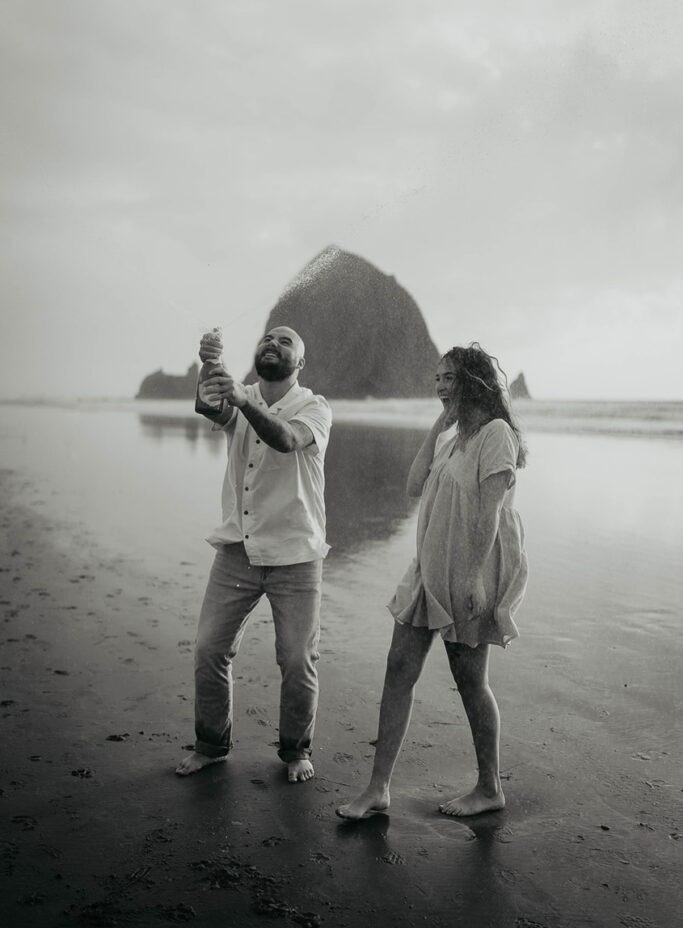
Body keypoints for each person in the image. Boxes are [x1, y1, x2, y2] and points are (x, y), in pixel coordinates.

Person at [336, 343, 528, 819]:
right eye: (436, 379)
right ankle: (378, 788)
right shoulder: (453, 438)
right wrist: (436, 426)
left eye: (449, 377)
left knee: (470, 682)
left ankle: (489, 788)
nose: (440, 386)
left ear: (474, 380)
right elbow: (412, 484)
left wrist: (472, 579)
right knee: (398, 668)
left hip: (470, 569)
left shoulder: (496, 434)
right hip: (427, 568)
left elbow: (489, 513)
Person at [176, 326, 332, 783]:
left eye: (286, 342)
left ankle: (296, 751)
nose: (274, 344)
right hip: (237, 550)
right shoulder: (240, 398)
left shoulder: (314, 406)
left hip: (296, 554)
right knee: (209, 650)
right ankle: (211, 745)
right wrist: (208, 362)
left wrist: (244, 400)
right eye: (268, 339)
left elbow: (285, 440)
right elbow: (208, 404)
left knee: (298, 659)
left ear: (300, 363)